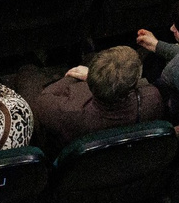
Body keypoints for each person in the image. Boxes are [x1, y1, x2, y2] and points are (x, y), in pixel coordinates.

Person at [21, 45, 168, 151]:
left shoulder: (67, 111)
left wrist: (79, 77)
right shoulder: (152, 98)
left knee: (28, 75)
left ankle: (28, 62)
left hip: (62, 145)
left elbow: (43, 99)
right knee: (90, 56)